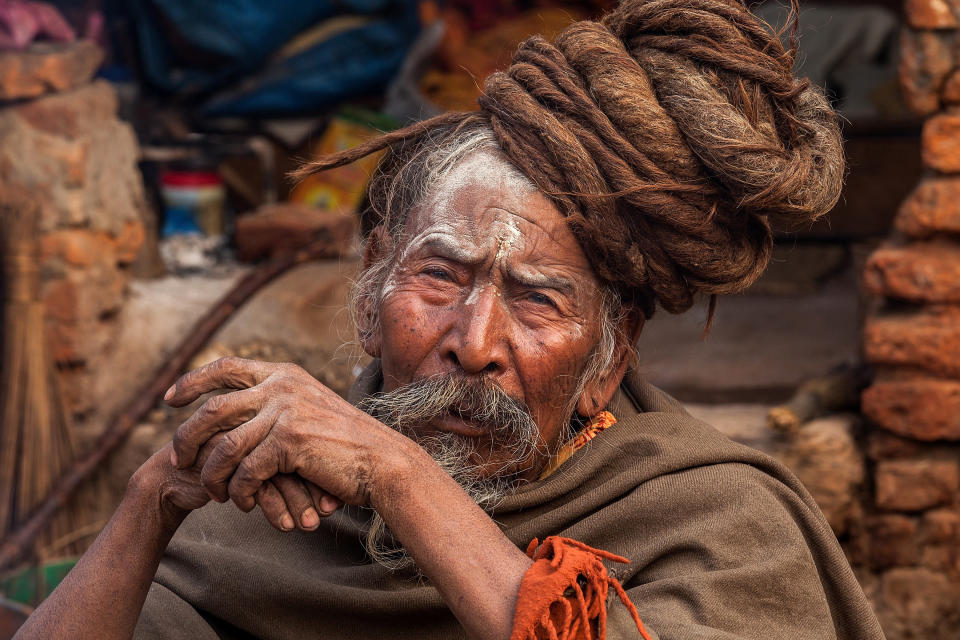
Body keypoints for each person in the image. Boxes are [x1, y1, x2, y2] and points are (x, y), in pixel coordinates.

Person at [15, 1, 885, 638]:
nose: (473, 343)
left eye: (537, 299)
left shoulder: (712, 520)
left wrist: (401, 476)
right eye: (441, 277)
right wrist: (153, 498)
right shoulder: (263, 524)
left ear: (611, 354)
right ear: (371, 288)